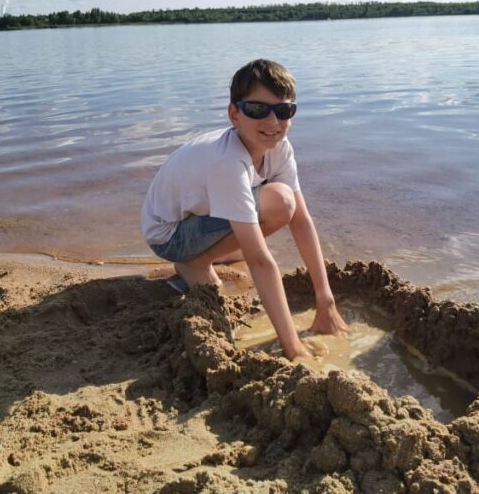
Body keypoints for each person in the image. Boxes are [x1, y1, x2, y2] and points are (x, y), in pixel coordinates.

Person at [141, 59, 348, 359]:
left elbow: (302, 220)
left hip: (195, 217)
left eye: (283, 110)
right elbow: (260, 261)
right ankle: (193, 264)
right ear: (234, 114)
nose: (273, 122)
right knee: (278, 201)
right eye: (257, 110)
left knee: (285, 203)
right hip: (168, 235)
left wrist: (325, 300)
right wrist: (293, 347)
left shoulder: (281, 148)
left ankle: (211, 253)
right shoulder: (228, 161)